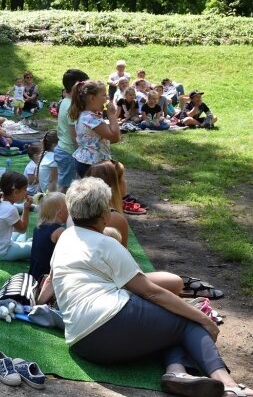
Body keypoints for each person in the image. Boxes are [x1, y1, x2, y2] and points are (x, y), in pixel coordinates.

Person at [53, 177, 252, 397]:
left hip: (83, 345)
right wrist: (203, 319)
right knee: (187, 321)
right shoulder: (107, 244)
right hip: (111, 324)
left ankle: (177, 372)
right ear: (104, 215)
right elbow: (151, 292)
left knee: (167, 327)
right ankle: (231, 386)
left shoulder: (66, 237)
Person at [69, 80, 120, 178]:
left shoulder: (84, 115)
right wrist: (112, 115)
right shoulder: (91, 118)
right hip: (94, 164)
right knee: (98, 192)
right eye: (104, 95)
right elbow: (115, 137)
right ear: (92, 98)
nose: (107, 98)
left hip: (86, 161)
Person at [0, 171, 33, 261]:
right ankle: (24, 250)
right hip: (1, 253)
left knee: (21, 237)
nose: (26, 192)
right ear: (16, 192)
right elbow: (22, 229)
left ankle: (22, 248)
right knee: (39, 245)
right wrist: (26, 208)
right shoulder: (10, 209)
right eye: (25, 189)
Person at [55, 69, 89, 192]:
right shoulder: (70, 106)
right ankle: (56, 209)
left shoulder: (65, 101)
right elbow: (74, 135)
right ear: (77, 86)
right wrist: (81, 155)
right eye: (84, 86)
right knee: (65, 187)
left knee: (67, 184)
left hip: (64, 149)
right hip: (68, 152)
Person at [86, 160, 134, 246]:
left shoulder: (79, 210)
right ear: (115, 186)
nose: (125, 182)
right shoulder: (115, 219)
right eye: (123, 178)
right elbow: (122, 255)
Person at [28, 192, 67, 281]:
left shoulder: (38, 227)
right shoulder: (59, 231)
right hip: (46, 277)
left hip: (34, 274)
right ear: (60, 213)